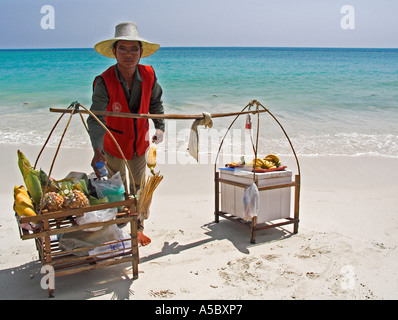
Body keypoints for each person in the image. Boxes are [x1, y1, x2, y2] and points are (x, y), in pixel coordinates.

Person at [87, 21, 165, 246]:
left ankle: (139, 227)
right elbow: (96, 118)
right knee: (116, 190)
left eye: (134, 49)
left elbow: (156, 103)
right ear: (114, 51)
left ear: (141, 52)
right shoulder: (104, 81)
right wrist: (97, 150)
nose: (128, 54)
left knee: (141, 190)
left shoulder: (149, 74)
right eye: (123, 48)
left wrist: (159, 127)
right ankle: (120, 231)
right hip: (113, 145)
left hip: (140, 144)